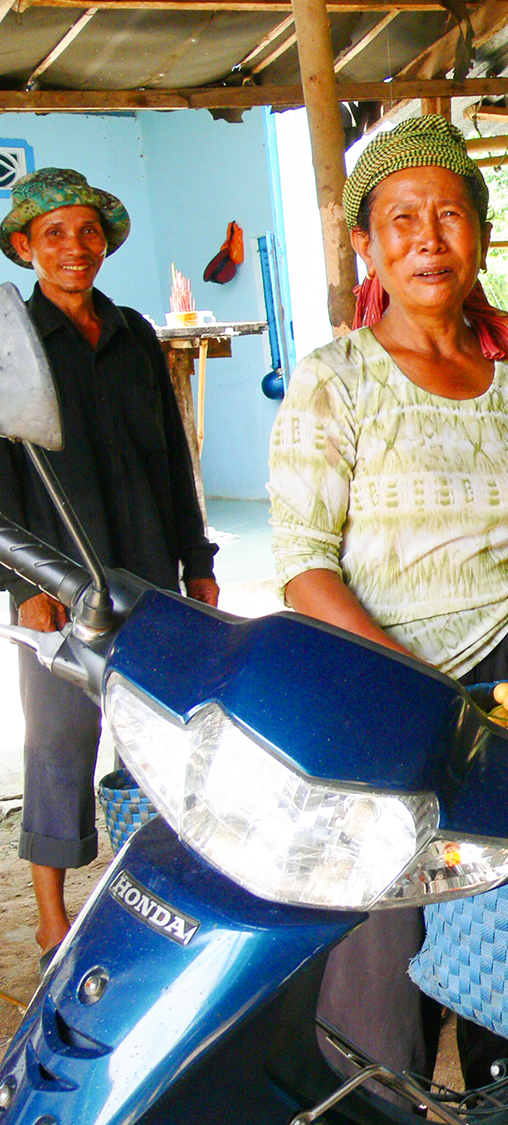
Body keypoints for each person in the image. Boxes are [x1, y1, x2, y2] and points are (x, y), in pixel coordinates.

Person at [266, 115, 508, 1093]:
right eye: (400, 219)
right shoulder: (337, 381)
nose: (427, 237)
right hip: (386, 695)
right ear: (367, 243)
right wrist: (411, 683)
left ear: (479, 236)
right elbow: (306, 567)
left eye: (449, 215)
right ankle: (373, 1097)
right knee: (384, 934)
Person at [0, 168, 219, 961]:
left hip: (148, 571)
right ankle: (53, 913)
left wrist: (197, 558)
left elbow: (173, 459)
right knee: (59, 737)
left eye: (87, 231)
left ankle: (153, 884)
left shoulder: (132, 334)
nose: (74, 247)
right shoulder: (9, 340)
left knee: (157, 730)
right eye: (53, 233)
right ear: (25, 247)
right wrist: (24, 586)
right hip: (56, 585)